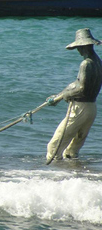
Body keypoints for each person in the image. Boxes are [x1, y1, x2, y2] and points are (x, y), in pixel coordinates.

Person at [46, 28, 102, 162]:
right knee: (72, 149)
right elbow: (77, 84)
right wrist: (59, 96)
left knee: (54, 147)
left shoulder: (85, 64)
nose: (78, 50)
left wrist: (64, 96)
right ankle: (74, 174)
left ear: (83, 47)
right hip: (91, 108)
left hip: (79, 109)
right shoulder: (98, 62)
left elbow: (81, 89)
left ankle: (53, 177)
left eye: (79, 47)